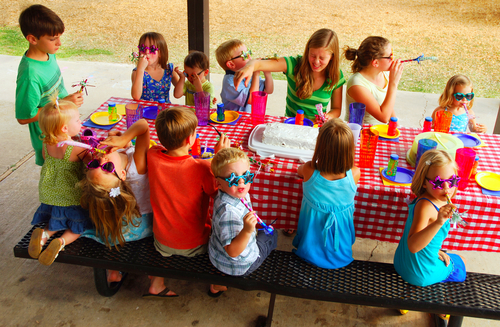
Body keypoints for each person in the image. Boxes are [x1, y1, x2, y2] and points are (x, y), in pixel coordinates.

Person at [146, 107, 230, 298]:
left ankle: (157, 283)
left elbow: (160, 150)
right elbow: (218, 194)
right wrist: (220, 158)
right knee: (221, 236)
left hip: (161, 241)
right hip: (195, 244)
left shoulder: (152, 155)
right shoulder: (202, 168)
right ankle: (216, 283)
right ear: (189, 140)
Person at [79, 119, 153, 284]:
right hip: (140, 225)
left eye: (95, 163)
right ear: (122, 174)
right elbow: (143, 126)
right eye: (106, 168)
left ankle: (113, 270)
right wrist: (124, 138)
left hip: (117, 225)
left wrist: (123, 143)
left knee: (112, 228)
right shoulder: (138, 165)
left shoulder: (114, 182)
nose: (101, 159)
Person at [16, 4, 84, 166]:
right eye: (53, 39)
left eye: (59, 37)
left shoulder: (48, 54)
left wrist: (67, 102)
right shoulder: (30, 74)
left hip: (65, 132)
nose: (59, 43)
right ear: (32, 39)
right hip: (51, 143)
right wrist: (63, 103)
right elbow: (23, 117)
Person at [27, 98, 92, 266]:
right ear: (64, 128)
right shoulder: (78, 149)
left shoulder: (45, 143)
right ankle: (61, 242)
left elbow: (44, 158)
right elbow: (92, 165)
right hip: (71, 197)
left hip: (51, 194)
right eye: (77, 120)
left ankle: (44, 235)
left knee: (58, 219)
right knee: (78, 226)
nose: (80, 122)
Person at [292, 118, 360, 269]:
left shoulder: (309, 170)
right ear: (350, 150)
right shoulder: (355, 173)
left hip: (309, 243)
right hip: (341, 242)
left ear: (320, 147)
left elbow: (298, 171)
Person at [208, 148, 278, 294]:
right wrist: (247, 231)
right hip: (240, 265)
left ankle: (218, 282)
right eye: (233, 178)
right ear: (218, 183)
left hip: (217, 254)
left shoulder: (229, 193)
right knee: (272, 234)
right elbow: (232, 252)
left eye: (246, 176)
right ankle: (221, 281)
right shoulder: (229, 213)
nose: (241, 182)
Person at [233, 28, 344, 120]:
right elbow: (259, 63)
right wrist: (250, 66)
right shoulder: (294, 64)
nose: (316, 61)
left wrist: (329, 116)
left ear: (332, 57)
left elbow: (336, 109)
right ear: (307, 51)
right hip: (290, 127)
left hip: (316, 131)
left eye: (322, 58)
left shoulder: (336, 76)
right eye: (313, 55)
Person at [394, 149, 467, 287]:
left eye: (452, 181)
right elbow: (413, 246)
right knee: (462, 261)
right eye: (439, 183)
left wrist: (435, 251)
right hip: (419, 273)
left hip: (402, 262)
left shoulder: (427, 197)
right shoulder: (426, 207)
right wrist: (439, 222)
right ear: (424, 182)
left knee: (448, 256)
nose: (447, 188)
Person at [343, 36, 404, 125]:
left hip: (380, 131)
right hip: (361, 133)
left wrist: (396, 125)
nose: (393, 58)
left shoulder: (384, 74)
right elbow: (383, 117)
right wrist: (393, 83)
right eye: (389, 56)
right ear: (376, 63)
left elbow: (388, 105)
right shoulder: (357, 84)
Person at [215, 39, 274, 113]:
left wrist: (267, 72)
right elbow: (252, 99)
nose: (249, 56)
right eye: (244, 55)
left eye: (249, 52)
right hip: (235, 121)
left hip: (249, 119)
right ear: (231, 64)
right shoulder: (230, 82)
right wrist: (256, 73)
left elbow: (268, 90)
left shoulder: (249, 75)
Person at [131, 32, 180, 102]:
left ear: (160, 53)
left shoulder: (169, 70)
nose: (147, 52)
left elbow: (181, 92)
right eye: (142, 48)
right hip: (145, 111)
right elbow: (136, 96)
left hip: (165, 111)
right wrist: (140, 69)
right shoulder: (137, 72)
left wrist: (182, 78)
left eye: (152, 49)